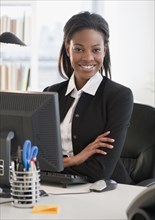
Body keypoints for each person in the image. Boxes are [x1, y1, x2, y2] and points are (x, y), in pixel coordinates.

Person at [44, 11, 134, 184]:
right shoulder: (51, 93)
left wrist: (52, 166)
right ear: (67, 49)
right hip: (56, 188)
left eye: (96, 50)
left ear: (104, 51)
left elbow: (101, 170)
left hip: (108, 191)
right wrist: (75, 160)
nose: (87, 58)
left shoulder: (119, 97)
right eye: (79, 49)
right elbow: (33, 160)